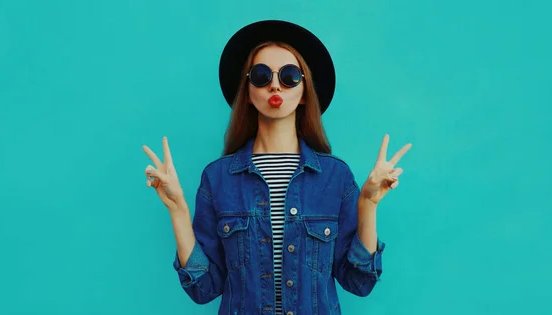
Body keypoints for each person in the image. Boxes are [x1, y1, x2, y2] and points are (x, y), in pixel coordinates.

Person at [142, 20, 412, 315]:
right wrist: (177, 209)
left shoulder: (336, 177)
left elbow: (359, 282)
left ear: (305, 91)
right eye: (260, 75)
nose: (274, 85)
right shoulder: (217, 178)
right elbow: (204, 288)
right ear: (247, 90)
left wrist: (368, 204)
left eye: (289, 76)